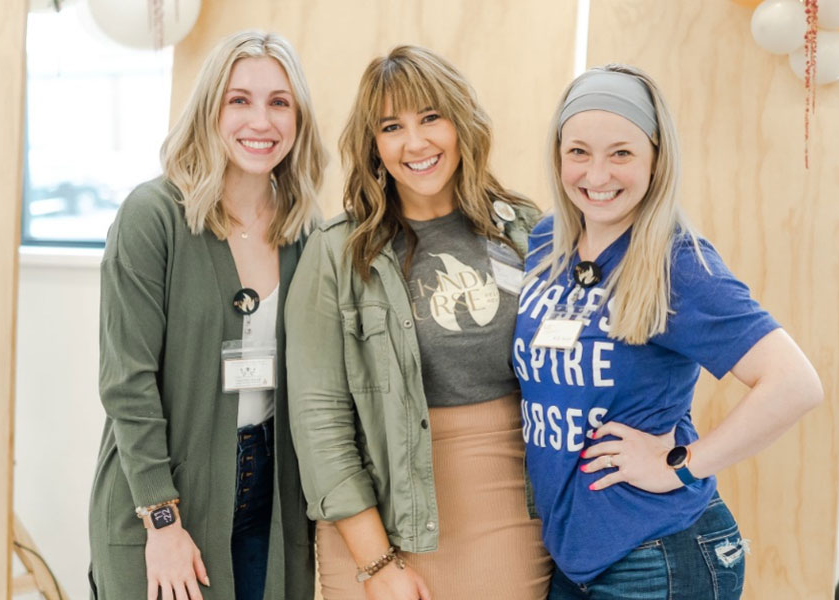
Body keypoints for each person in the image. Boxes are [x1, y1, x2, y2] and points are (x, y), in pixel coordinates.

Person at [513, 64, 823, 599]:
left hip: (656, 556)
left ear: (657, 158)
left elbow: (795, 383)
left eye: (622, 153)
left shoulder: (676, 263)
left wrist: (679, 464)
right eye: (579, 151)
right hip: (576, 555)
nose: (597, 174)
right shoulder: (547, 242)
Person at [285, 45, 553, 600]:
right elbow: (319, 421)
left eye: (431, 117)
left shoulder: (525, 231)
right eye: (392, 126)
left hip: (507, 515)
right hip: (376, 525)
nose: (416, 142)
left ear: (461, 123)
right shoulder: (337, 253)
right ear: (374, 147)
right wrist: (377, 563)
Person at [87, 30, 326, 600]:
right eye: (239, 100)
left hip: (268, 492)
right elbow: (127, 384)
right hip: (163, 492)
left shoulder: (308, 233)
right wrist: (162, 523)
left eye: (279, 102)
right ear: (209, 108)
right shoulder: (153, 218)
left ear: (299, 119)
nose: (260, 122)